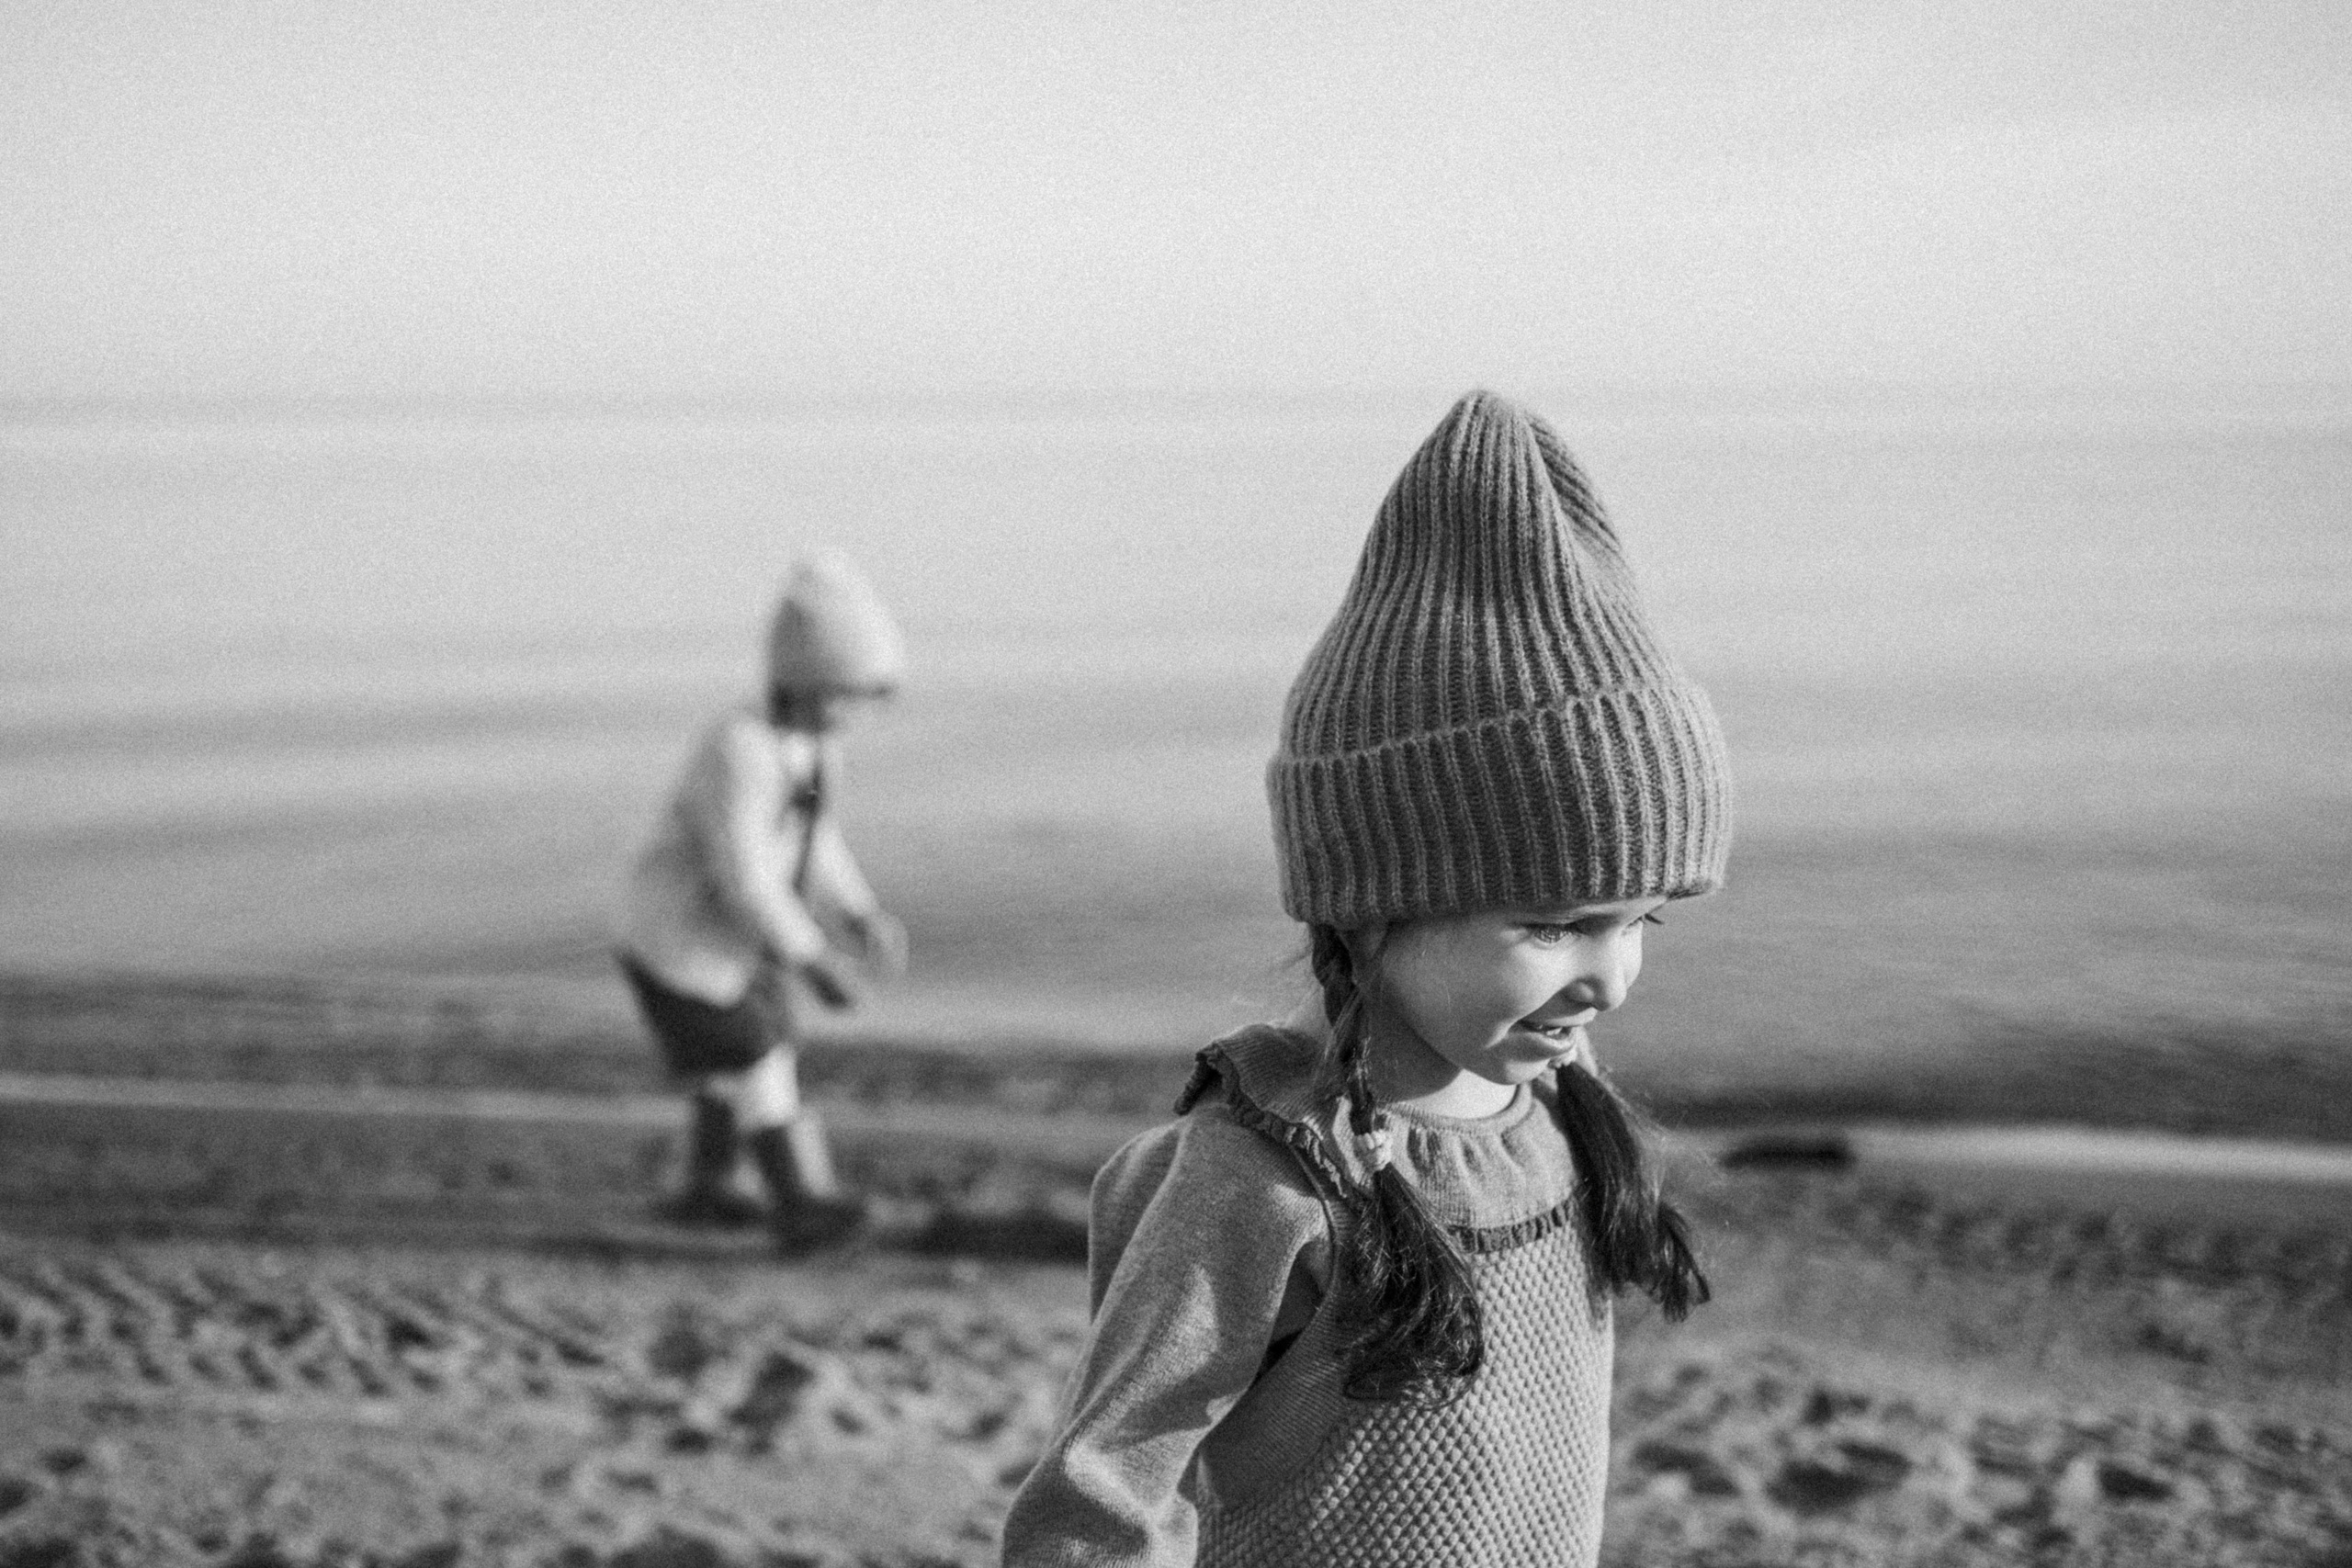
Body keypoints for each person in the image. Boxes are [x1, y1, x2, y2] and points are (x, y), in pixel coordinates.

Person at [999, 391, 1734, 1566]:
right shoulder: (1266, 1180)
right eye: (1554, 924)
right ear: (1371, 901)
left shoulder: (1553, 1115)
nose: (1613, 979)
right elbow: (1098, 1502)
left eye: (1640, 919)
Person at [615, 552, 909, 1253]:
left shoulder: (809, 748)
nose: (860, 713)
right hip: (678, 943)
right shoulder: (739, 749)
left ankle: (708, 1186)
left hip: (732, 944)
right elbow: (747, 874)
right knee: (759, 1051)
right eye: (851, 694)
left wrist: (858, 913)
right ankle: (800, 1201)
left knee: (735, 1061)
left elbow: (818, 841)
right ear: (807, 682)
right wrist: (812, 959)